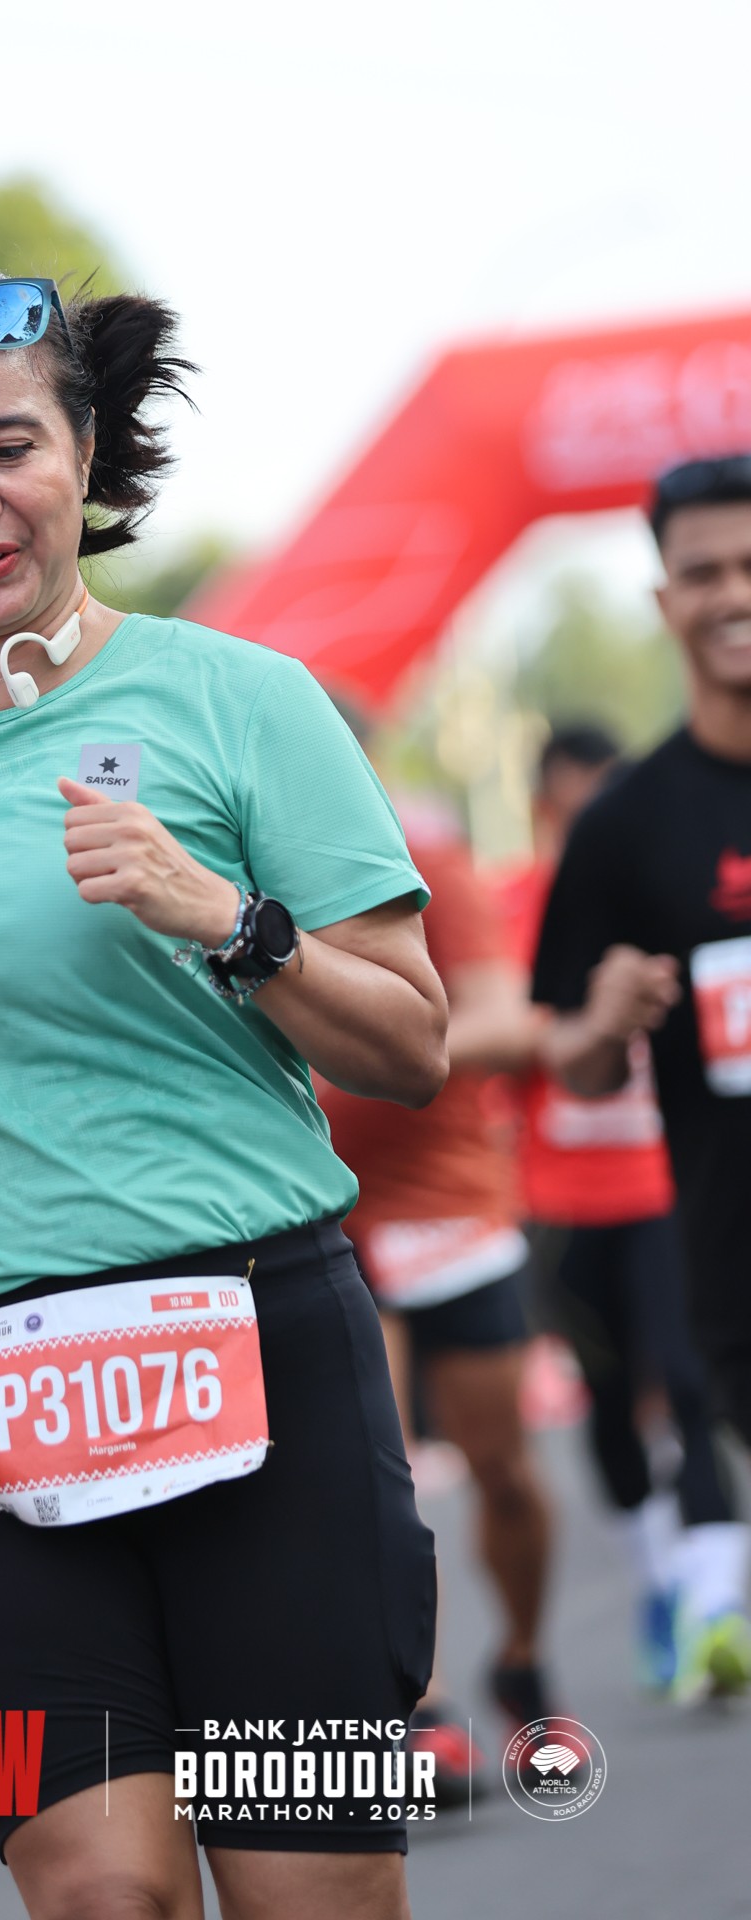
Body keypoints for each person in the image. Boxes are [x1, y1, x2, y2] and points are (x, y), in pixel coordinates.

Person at [0, 258, 448, 1920]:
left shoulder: (242, 701)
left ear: (83, 454)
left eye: (8, 447)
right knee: (101, 1897)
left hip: (252, 1354)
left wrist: (226, 920)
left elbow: (412, 1045)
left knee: (309, 1897)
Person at [533, 456, 751, 1694]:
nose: (730, 595)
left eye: (748, 567)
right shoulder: (623, 826)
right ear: (664, 598)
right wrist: (601, 1021)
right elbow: (568, 1057)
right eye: (701, 572)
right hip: (730, 1268)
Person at [499, 725, 748, 1700]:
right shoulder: (529, 903)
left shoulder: (665, 868)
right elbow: (497, 1026)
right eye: (573, 808)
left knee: (689, 1384)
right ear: (542, 811)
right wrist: (576, 1024)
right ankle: (659, 1587)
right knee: (608, 1410)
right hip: (564, 1206)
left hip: (660, 1190)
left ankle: (714, 1611)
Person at [318, 807, 556, 1801]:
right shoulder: (205, 857)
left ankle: (520, 1658)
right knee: (376, 1479)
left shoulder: (414, 853)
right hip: (313, 1212)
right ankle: (423, 1708)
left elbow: (504, 1021)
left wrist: (355, 1037)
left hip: (444, 1205)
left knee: (503, 1472)